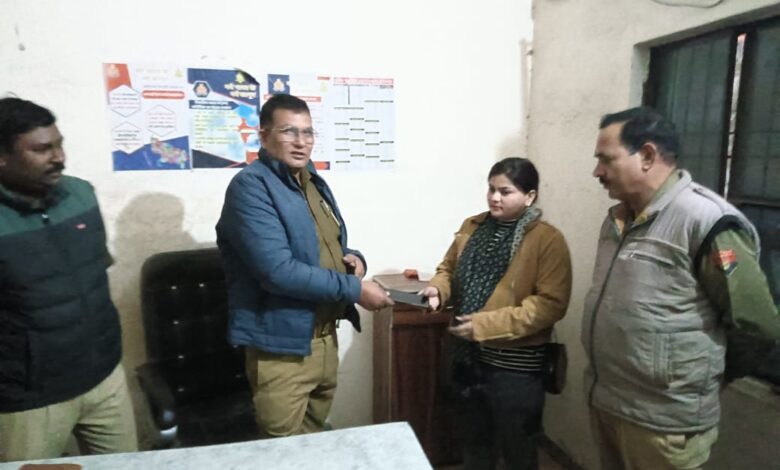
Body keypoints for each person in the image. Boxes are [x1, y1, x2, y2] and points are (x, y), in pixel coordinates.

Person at [582, 106, 780, 470]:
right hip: (609, 404)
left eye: (606, 159)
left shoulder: (705, 222)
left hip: (663, 424)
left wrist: (705, 376)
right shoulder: (618, 219)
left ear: (647, 156)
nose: (597, 172)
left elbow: (757, 325)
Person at [216, 93, 393, 437]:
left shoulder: (311, 181)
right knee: (283, 454)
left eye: (308, 132)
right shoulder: (250, 187)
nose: (301, 142)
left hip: (325, 339)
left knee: (315, 445)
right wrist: (355, 289)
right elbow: (278, 271)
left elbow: (324, 245)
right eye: (289, 131)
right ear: (263, 136)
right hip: (282, 351)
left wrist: (354, 260)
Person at [0, 97, 137, 461]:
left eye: (59, 145)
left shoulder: (80, 195)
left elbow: (96, 273)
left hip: (104, 376)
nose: (58, 157)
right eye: (41, 149)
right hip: (30, 399)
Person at [422, 157, 572, 470]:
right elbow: (447, 269)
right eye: (491, 189)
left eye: (505, 191)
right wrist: (438, 290)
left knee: (518, 451)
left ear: (530, 196)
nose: (494, 197)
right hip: (467, 359)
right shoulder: (472, 227)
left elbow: (550, 304)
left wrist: (484, 325)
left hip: (515, 370)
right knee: (474, 445)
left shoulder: (547, 240)